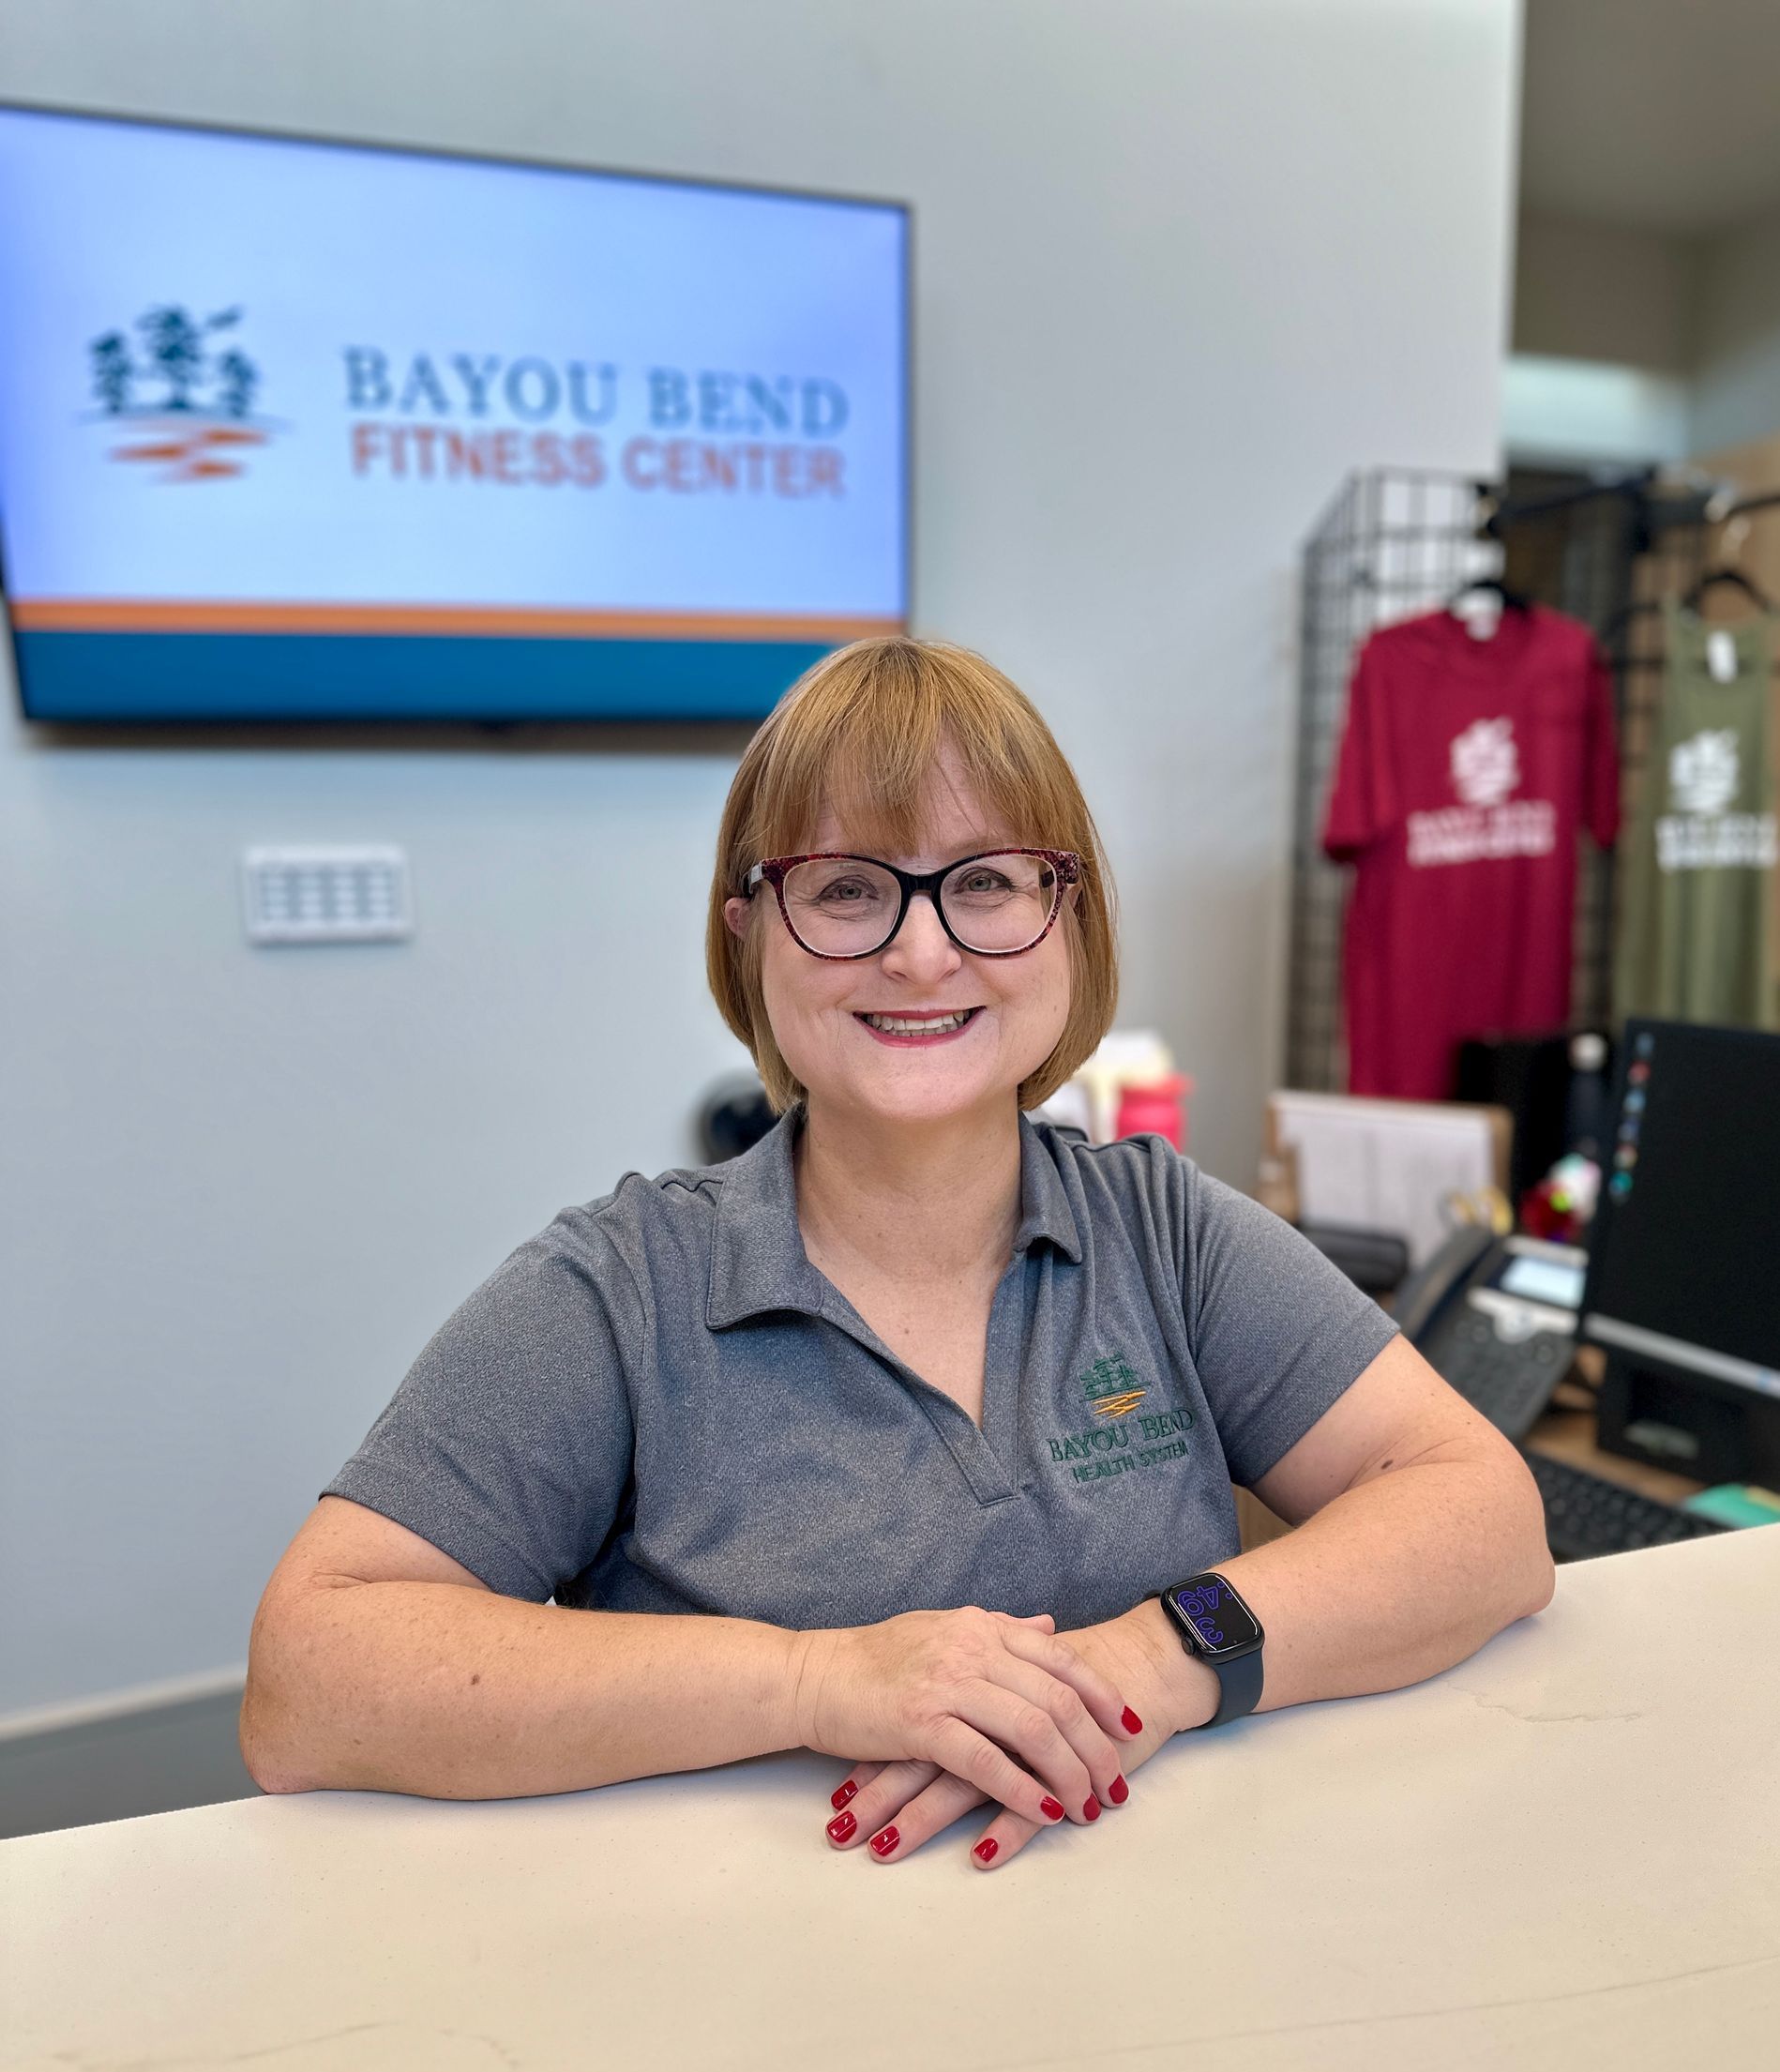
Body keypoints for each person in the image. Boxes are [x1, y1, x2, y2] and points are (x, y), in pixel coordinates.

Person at [241, 636, 1555, 1870]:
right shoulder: (620, 1286)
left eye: (984, 881)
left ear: (1068, 920)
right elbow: (311, 1673)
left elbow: (1483, 1515)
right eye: (848, 888)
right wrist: (821, 1681)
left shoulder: (1163, 1229)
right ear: (748, 929)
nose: (921, 951)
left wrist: (1151, 1660)